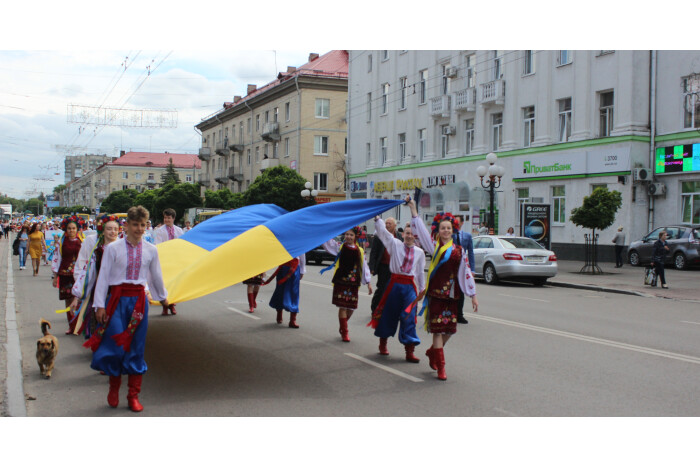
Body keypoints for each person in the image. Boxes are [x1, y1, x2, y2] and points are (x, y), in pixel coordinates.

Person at [84, 205, 168, 412]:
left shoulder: (151, 250)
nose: (139, 229)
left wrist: (164, 298)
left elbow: (156, 276)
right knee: (115, 345)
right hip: (116, 301)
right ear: (127, 225)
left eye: (142, 225)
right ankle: (114, 388)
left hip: (138, 302)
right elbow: (103, 277)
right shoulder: (113, 248)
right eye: (135, 224)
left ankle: (133, 396)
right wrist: (99, 305)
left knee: (136, 347)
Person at [407, 195, 478, 381]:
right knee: (438, 331)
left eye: (448, 228)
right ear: (438, 231)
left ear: (453, 230)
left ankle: (432, 352)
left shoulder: (460, 251)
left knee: (450, 331)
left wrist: (473, 295)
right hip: (437, 294)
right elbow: (421, 231)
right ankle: (441, 368)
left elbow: (466, 272)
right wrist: (414, 209)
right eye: (442, 228)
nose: (446, 231)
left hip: (453, 296)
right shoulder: (434, 247)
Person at [368, 219, 426, 362]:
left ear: (416, 236)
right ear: (403, 233)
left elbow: (419, 272)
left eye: (412, 234)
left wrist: (422, 289)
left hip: (409, 287)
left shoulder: (419, 252)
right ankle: (383, 343)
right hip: (394, 284)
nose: (409, 236)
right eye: (407, 233)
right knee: (388, 314)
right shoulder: (395, 244)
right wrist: (377, 219)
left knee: (409, 316)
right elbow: (383, 233)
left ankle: (409, 350)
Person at [69, 215, 120, 338]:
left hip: (118, 291)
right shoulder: (97, 251)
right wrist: (78, 296)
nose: (112, 232)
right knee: (98, 321)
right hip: (99, 291)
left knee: (116, 323)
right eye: (109, 229)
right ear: (102, 230)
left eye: (115, 229)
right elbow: (87, 274)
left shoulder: (122, 248)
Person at [321, 227, 373, 342]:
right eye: (347, 234)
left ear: (355, 237)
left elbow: (364, 266)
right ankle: (345, 332)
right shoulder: (340, 247)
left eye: (351, 235)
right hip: (341, 281)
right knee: (343, 306)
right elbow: (328, 243)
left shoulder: (359, 250)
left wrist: (368, 283)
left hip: (353, 282)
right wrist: (324, 230)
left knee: (351, 307)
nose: (348, 237)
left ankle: (342, 325)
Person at [51, 216, 85, 334]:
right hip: (65, 274)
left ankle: (79, 326)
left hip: (78, 275)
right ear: (66, 229)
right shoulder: (62, 242)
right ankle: (71, 326)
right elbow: (57, 258)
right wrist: (55, 276)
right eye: (69, 228)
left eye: (73, 228)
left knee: (78, 300)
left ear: (77, 229)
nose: (71, 231)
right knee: (68, 301)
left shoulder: (82, 241)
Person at [263, 254, 306, 328]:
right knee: (280, 291)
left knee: (294, 293)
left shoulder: (298, 242)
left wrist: (302, 270)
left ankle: (292, 320)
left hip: (294, 267)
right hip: (283, 267)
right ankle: (279, 312)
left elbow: (302, 253)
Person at [369, 217, 400, 316]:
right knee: (381, 289)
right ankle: (375, 309)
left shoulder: (399, 236)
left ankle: (391, 311)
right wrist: (372, 267)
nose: (387, 225)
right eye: (386, 223)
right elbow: (373, 252)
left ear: (395, 225)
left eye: (390, 223)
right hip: (383, 267)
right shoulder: (379, 236)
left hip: (395, 268)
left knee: (394, 290)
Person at [154, 208, 183, 315]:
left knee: (174, 284)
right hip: (165, 260)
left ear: (173, 218)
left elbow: (181, 245)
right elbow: (158, 245)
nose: (166, 220)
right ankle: (165, 306)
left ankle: (173, 304)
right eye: (165, 218)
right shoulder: (159, 231)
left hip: (176, 260)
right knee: (165, 284)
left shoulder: (179, 230)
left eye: (169, 218)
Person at [451, 218, 476, 325]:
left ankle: (459, 314)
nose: (455, 224)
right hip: (450, 266)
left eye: (457, 222)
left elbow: (470, 252)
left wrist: (472, 269)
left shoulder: (467, 236)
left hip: (462, 267)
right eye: (453, 222)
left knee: (461, 291)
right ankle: (450, 313)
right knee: (450, 290)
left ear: (461, 223)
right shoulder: (449, 234)